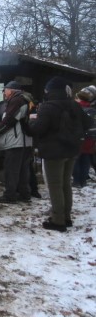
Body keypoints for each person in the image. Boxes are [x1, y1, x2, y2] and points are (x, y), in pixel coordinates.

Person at [28, 76, 92, 232]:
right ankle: (66, 217)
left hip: (53, 152)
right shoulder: (74, 105)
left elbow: (38, 129)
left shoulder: (48, 106)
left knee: (55, 186)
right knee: (65, 184)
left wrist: (30, 122)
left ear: (50, 90)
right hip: (72, 150)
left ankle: (58, 221)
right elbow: (88, 123)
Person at [0, 81, 33, 203]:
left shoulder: (16, 100)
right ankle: (24, 194)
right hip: (24, 140)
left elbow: (9, 119)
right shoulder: (25, 99)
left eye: (5, 90)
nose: (4, 93)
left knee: (11, 170)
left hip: (15, 140)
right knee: (23, 170)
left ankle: (10, 195)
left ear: (11, 90)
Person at [72, 88, 95, 188]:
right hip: (90, 138)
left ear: (79, 98)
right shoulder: (92, 110)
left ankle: (76, 181)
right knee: (86, 159)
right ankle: (83, 180)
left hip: (78, 138)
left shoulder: (75, 109)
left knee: (76, 160)